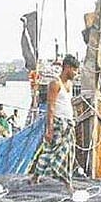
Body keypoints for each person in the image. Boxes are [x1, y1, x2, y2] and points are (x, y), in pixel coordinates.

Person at [27, 54, 79, 193]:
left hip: (68, 123)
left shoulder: (70, 84)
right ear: (67, 68)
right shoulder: (55, 84)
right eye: (74, 70)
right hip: (57, 123)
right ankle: (40, 177)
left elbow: (67, 103)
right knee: (50, 152)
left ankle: (66, 181)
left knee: (68, 153)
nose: (76, 73)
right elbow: (50, 107)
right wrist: (49, 129)